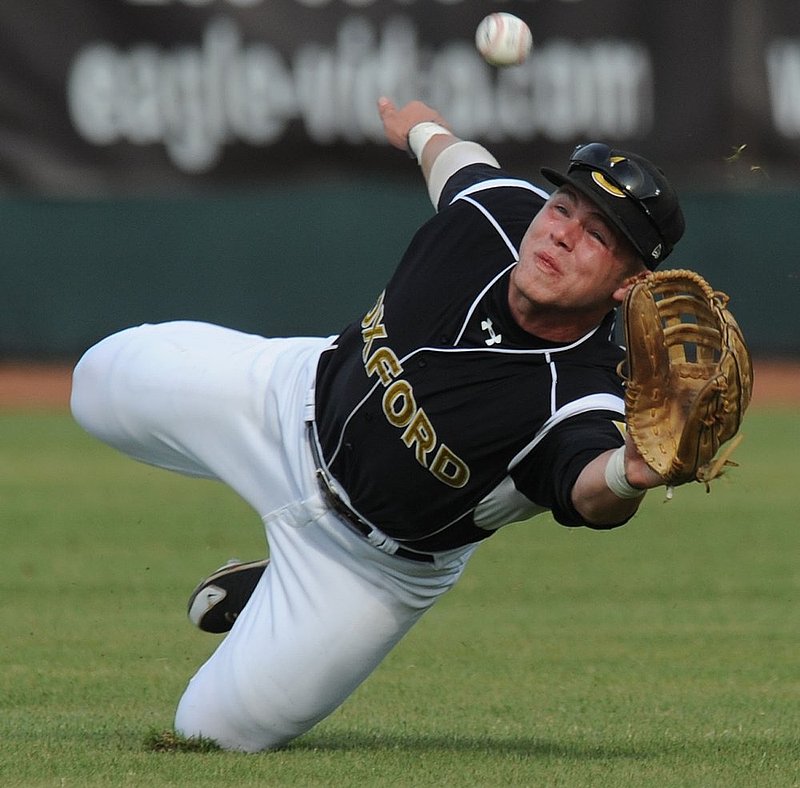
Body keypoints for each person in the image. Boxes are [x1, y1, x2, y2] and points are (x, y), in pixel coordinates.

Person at [70, 96, 685, 752]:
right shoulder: (494, 217)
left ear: (629, 284)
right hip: (286, 399)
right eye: (562, 208)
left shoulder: (585, 395)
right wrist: (421, 126)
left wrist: (631, 472)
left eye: (597, 236)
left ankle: (274, 591)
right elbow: (460, 165)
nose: (561, 232)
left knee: (209, 731)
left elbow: (591, 490)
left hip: (365, 566)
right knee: (95, 386)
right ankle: (268, 574)